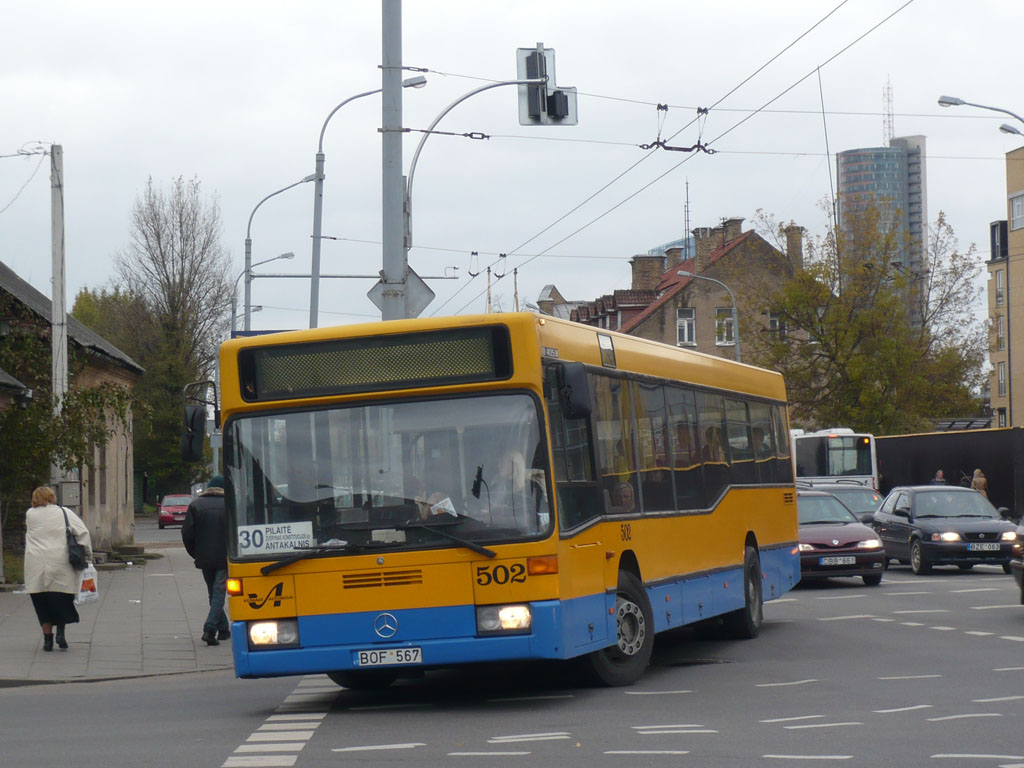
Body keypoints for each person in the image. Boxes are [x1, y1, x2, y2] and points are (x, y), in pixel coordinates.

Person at [24, 486, 93, 652]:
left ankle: (48, 640)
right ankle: (61, 633)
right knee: (60, 599)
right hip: (60, 563)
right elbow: (83, 533)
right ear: (52, 496)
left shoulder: (30, 515)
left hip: (36, 564)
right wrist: (88, 557)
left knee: (41, 603)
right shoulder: (64, 513)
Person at [182, 475, 230, 646]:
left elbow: (187, 534)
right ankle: (210, 629)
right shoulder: (230, 506)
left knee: (213, 592)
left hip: (204, 558)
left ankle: (223, 629)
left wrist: (196, 553)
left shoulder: (196, 505)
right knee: (218, 592)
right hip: (225, 558)